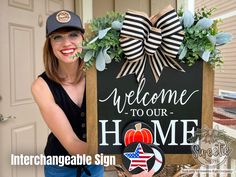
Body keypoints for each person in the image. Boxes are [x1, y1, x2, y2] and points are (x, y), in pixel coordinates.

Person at [31, 10, 104, 177]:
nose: (67, 43)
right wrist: (121, 157)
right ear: (49, 44)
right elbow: (72, 143)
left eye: (73, 35)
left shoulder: (100, 76)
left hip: (95, 165)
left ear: (83, 39)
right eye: (58, 37)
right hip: (59, 169)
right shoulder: (41, 86)